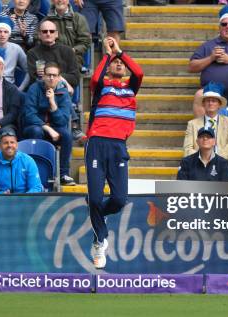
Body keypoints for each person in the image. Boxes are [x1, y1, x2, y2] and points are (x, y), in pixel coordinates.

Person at [85, 37, 143, 270]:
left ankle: (97, 212)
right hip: (97, 143)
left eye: (122, 63)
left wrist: (120, 52)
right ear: (108, 66)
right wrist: (108, 55)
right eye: (115, 63)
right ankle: (99, 241)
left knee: (119, 200)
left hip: (118, 145)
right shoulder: (101, 87)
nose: (119, 64)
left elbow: (139, 73)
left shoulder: (130, 88)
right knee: (96, 198)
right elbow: (95, 77)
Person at [22, 62, 75, 185]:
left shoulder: (63, 93)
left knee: (67, 135)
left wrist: (53, 104)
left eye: (54, 75)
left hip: (56, 127)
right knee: (37, 131)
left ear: (58, 77)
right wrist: (47, 128)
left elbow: (62, 120)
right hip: (34, 126)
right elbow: (29, 115)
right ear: (43, 76)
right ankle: (36, 172)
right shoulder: (34, 89)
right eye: (48, 75)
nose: (51, 78)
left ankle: (63, 174)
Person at [182, 82, 228, 160]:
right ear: (203, 104)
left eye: (214, 101)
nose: (210, 103)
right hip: (198, 164)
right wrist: (203, 159)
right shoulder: (192, 124)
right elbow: (187, 149)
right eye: (208, 100)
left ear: (219, 104)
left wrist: (215, 161)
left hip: (222, 163)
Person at [26, 20, 80, 89]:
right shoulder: (32, 53)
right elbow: (33, 79)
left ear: (56, 34)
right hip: (41, 92)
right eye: (45, 31)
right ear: (39, 35)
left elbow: (75, 78)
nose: (48, 34)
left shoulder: (68, 51)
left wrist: (50, 76)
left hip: (63, 91)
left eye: (51, 31)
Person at [42, 0, 92, 68]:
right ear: (52, 1)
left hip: (73, 58)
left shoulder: (78, 18)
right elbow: (38, 39)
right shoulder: (46, 20)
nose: (60, 0)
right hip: (51, 58)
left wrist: (73, 50)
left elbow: (86, 41)